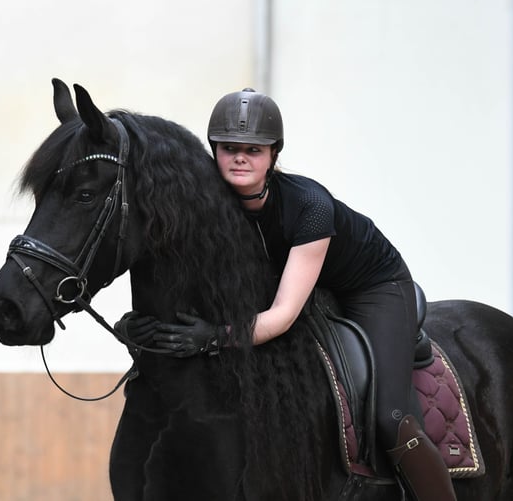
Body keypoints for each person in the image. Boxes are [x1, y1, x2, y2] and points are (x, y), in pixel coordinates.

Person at [117, 88, 456, 500]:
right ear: (214, 151)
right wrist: (144, 324)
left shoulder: (309, 206)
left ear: (273, 154)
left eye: (253, 150)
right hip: (293, 280)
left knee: (391, 417)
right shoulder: (208, 204)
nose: (240, 158)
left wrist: (213, 337)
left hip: (371, 285)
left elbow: (282, 314)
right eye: (229, 148)